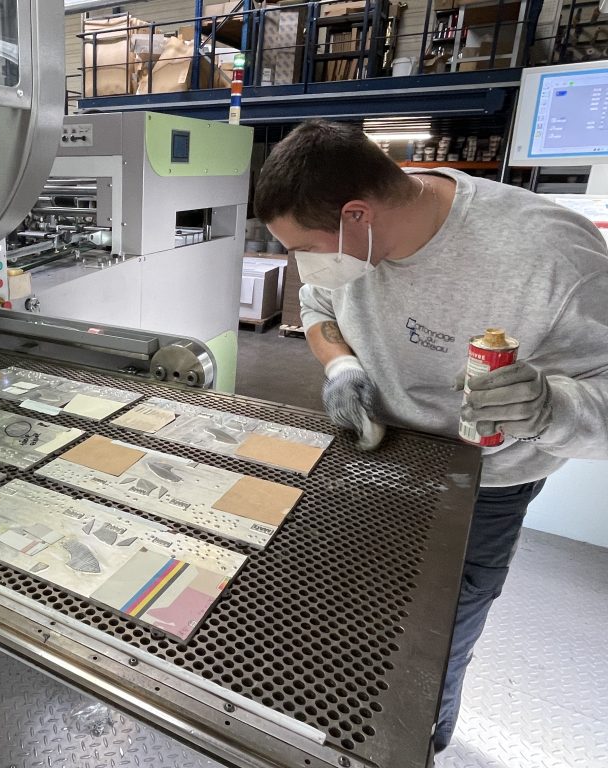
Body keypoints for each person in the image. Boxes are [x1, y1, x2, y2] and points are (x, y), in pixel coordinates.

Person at [253, 119, 608, 752]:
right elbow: (318, 307)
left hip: (485, 485)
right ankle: (341, 725)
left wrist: (550, 406)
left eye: (307, 246)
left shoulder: (549, 256)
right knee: (354, 606)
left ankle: (421, 745)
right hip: (376, 450)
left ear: (357, 214)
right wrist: (340, 364)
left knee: (435, 638)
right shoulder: (348, 248)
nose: (305, 264)